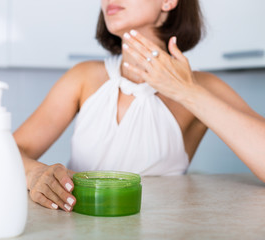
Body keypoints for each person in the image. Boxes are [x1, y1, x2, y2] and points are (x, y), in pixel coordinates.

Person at [14, 0, 265, 212]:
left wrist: (187, 92)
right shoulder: (83, 78)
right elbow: (11, 149)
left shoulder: (201, 87)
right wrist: (34, 173)